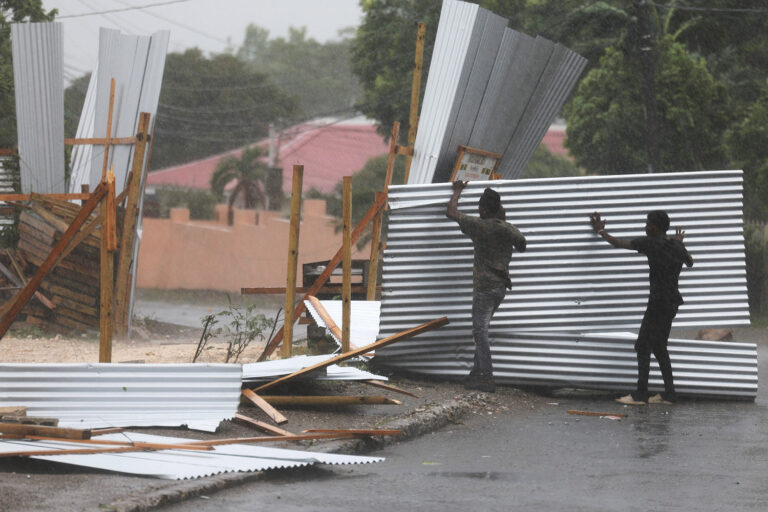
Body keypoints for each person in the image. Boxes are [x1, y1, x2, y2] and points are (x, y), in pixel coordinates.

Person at [589, 210, 694, 405]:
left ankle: (640, 395)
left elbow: (618, 243)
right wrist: (679, 242)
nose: (645, 227)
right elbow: (690, 262)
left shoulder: (650, 243)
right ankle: (669, 394)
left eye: (648, 224)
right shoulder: (675, 246)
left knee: (643, 345)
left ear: (657, 227)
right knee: (659, 346)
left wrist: (601, 231)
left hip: (658, 303)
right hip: (671, 304)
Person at [446, 181, 527, 392]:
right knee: (482, 330)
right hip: (500, 289)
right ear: (499, 209)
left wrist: (456, 191)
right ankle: (476, 373)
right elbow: (522, 245)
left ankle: (487, 376)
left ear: (483, 209)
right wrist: (503, 219)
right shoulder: (508, 229)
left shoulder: (479, 225)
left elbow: (451, 213)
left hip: (484, 289)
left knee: (480, 331)